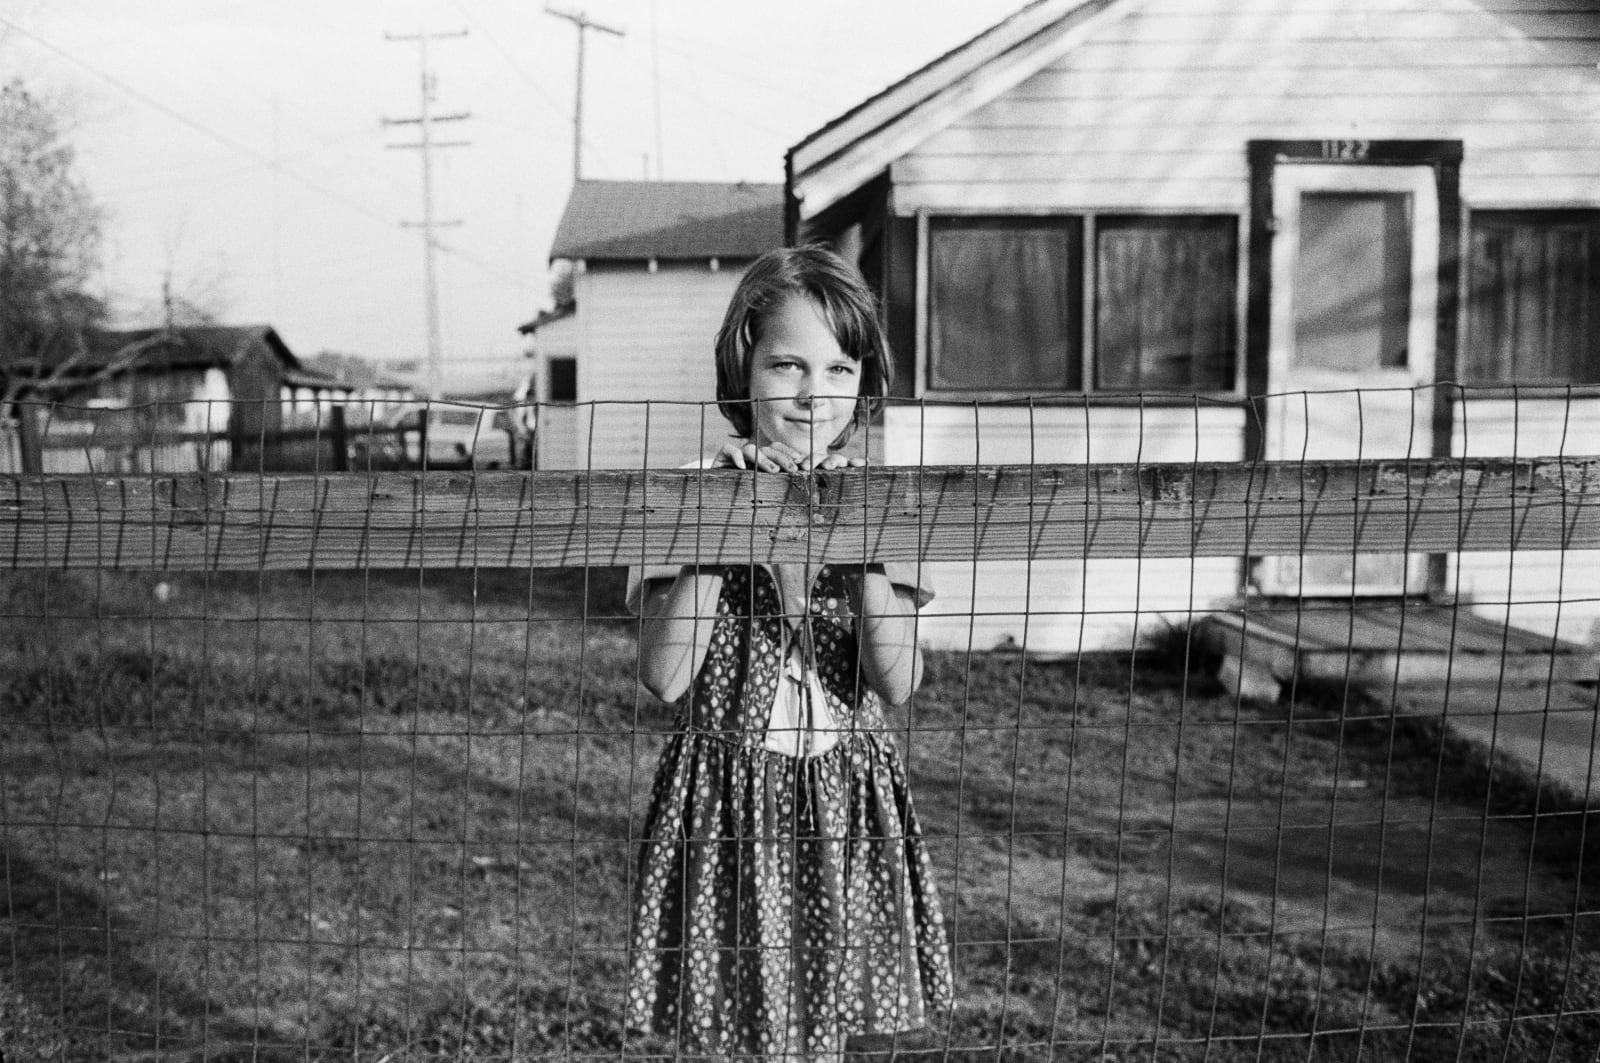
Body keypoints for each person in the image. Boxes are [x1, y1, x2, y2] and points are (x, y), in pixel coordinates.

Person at [625, 245, 953, 1059]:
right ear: (743, 368)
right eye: (788, 365)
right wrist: (728, 515)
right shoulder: (688, 489)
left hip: (845, 791)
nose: (815, 394)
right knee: (741, 1024)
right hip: (728, 796)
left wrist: (857, 533)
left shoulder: (884, 498)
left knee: (822, 1026)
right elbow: (665, 676)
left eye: (840, 369)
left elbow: (898, 681)